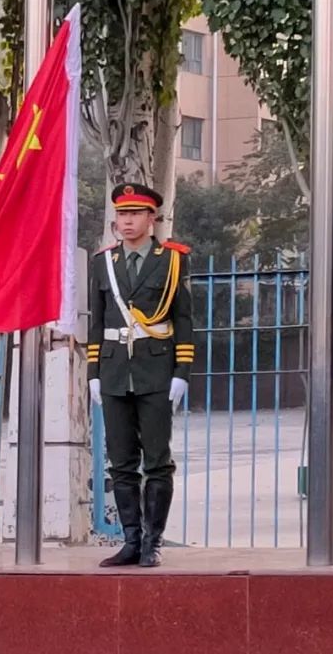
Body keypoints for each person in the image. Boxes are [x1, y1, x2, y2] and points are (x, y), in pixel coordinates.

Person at [87, 183, 194, 567]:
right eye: (121, 214)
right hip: (115, 372)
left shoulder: (173, 260)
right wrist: (93, 372)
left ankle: (153, 541)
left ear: (152, 218)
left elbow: (183, 319)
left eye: (135, 214)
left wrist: (181, 370)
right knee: (120, 461)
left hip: (156, 369)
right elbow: (97, 321)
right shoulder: (104, 263)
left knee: (158, 460)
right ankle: (130, 539)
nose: (127, 221)